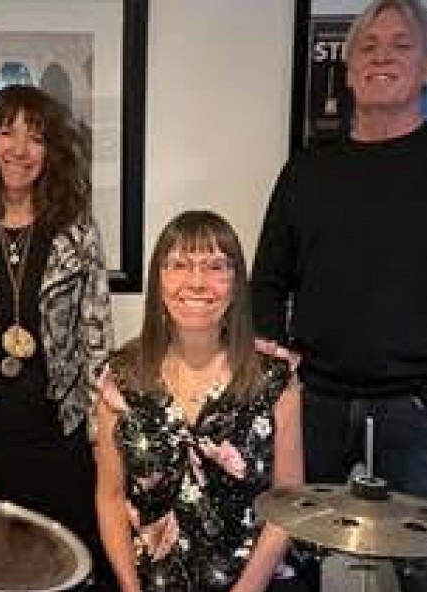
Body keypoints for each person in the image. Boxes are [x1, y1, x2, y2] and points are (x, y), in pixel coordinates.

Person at [250, 1, 427, 590]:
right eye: (369, 46)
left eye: (401, 45)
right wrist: (281, 377)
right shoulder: (306, 171)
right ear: (350, 69)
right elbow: (267, 282)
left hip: (417, 412)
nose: (382, 56)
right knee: (288, 568)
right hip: (315, 406)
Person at [0, 84, 114, 587]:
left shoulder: (77, 225)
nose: (20, 149)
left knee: (64, 567)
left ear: (51, 151)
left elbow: (96, 333)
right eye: (7, 133)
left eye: (37, 138)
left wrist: (101, 436)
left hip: (61, 435)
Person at [95, 211, 306, 592]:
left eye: (215, 267)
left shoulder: (275, 379)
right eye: (179, 265)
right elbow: (110, 497)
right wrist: (130, 588)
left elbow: (288, 502)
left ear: (236, 284)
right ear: (158, 280)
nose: (196, 282)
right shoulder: (121, 376)